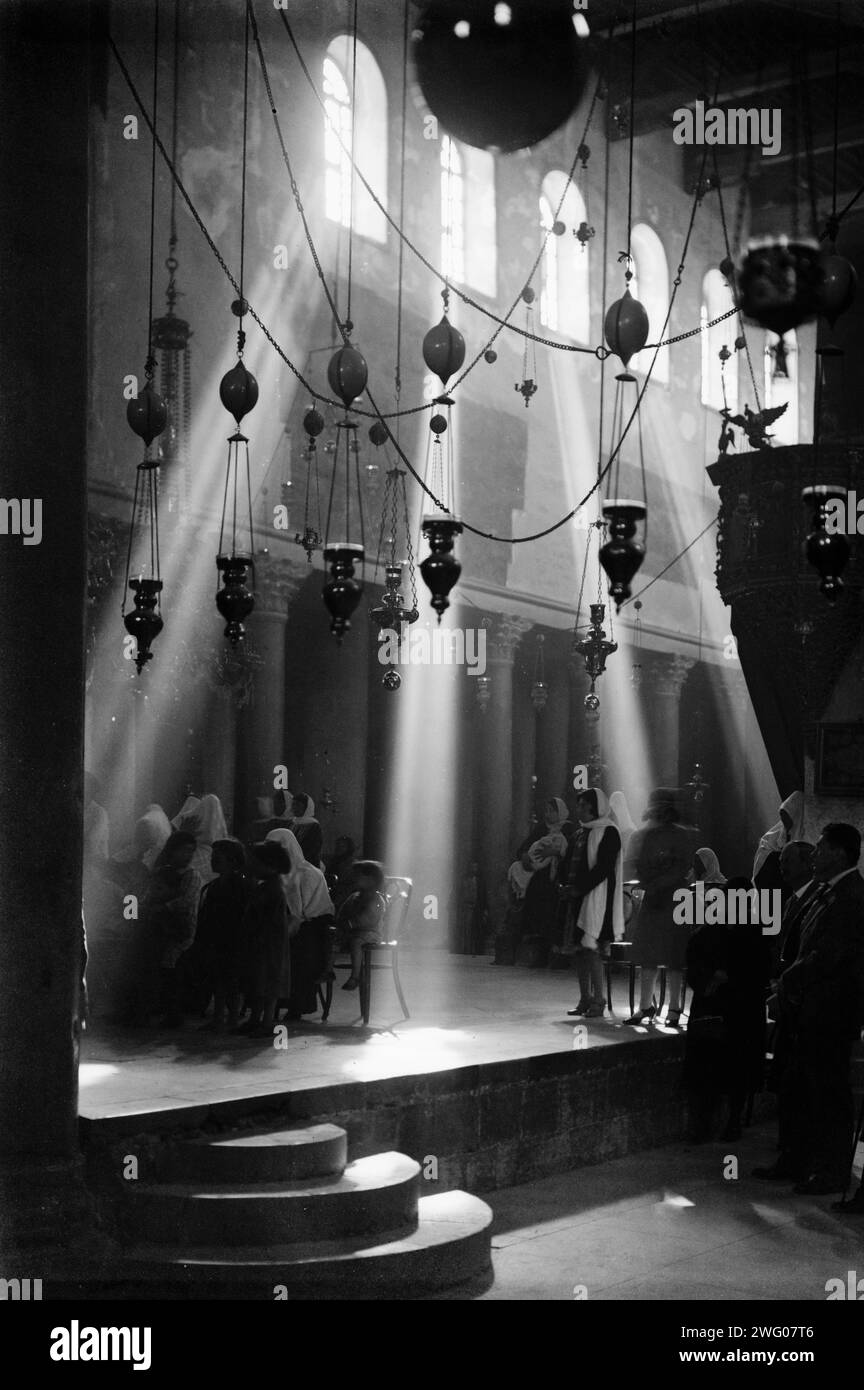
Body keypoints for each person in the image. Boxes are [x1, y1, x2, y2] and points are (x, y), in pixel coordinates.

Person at [754, 823, 864, 1195]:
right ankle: (797, 1159)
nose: (815, 855)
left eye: (821, 848)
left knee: (829, 1092)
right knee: (799, 1086)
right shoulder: (827, 892)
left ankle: (831, 1170)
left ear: (840, 853)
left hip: (831, 1011)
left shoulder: (851, 895)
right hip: (809, 1009)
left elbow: (827, 954)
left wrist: (788, 981)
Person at [683, 876, 769, 1142]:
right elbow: (693, 961)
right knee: (707, 1067)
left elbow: (761, 969)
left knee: (737, 1068)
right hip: (714, 1006)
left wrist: (730, 977)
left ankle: (733, 1121)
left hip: (740, 1008)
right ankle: (704, 1123)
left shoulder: (756, 930)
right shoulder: (710, 928)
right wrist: (709, 978)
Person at [624, 788, 698, 1028]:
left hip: (675, 899)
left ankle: (675, 1008)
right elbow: (640, 864)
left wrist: (658, 884)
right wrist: (649, 884)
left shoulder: (683, 836)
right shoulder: (647, 835)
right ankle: (645, 1006)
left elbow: (682, 866)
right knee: (648, 955)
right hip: (654, 899)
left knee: (675, 956)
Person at [562, 788, 624, 1019]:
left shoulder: (609, 832)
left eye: (582, 805)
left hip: (598, 900)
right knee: (580, 951)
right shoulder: (581, 833)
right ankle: (584, 999)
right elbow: (570, 862)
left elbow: (604, 868)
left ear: (592, 807)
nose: (578, 809)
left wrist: (581, 887)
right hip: (578, 898)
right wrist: (565, 884)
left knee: (593, 950)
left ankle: (598, 999)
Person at [265, 828, 334, 1017]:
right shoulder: (272, 875)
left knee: (300, 947)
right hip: (283, 925)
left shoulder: (309, 873)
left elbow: (312, 910)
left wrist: (294, 922)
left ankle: (296, 1003)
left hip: (311, 925)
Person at [139, 830, 201, 1027]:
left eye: (191, 851)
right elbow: (148, 895)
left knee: (171, 967)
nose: (188, 855)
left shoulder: (192, 876)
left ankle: (173, 1012)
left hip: (181, 929)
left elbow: (186, 901)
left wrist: (162, 905)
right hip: (160, 927)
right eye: (184, 850)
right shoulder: (160, 872)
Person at [195, 839, 253, 1032]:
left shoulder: (241, 885)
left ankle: (232, 1019)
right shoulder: (215, 885)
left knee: (232, 981)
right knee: (219, 979)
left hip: (233, 939)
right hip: (217, 938)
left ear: (232, 860)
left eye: (217, 857)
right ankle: (219, 1017)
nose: (212, 861)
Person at [240, 840, 295, 1038]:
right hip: (264, 943)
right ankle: (256, 1020)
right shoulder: (266, 886)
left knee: (268, 984)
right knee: (259, 983)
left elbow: (267, 918)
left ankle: (266, 1022)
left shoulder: (272, 889)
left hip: (270, 944)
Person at [517, 797, 573, 965]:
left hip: (556, 883)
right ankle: (537, 956)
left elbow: (570, 854)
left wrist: (555, 853)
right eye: (546, 810)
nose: (548, 814)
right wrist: (525, 856)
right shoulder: (541, 829)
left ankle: (556, 957)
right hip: (539, 882)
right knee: (537, 919)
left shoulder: (568, 829)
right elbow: (522, 849)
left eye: (552, 810)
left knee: (554, 918)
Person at [336, 860, 387, 991]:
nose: (355, 878)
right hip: (352, 930)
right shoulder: (354, 897)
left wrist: (351, 924)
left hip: (371, 933)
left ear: (371, 880)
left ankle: (355, 976)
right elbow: (343, 912)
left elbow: (369, 919)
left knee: (357, 941)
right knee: (332, 938)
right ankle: (326, 970)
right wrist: (341, 923)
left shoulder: (376, 900)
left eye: (359, 875)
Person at [752, 791, 804, 897]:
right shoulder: (771, 838)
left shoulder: (806, 836)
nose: (785, 820)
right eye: (782, 815)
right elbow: (760, 869)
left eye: (787, 815)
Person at [288, 792, 323, 868]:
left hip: (308, 865)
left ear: (306, 808)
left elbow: (312, 849)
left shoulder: (314, 825)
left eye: (298, 805)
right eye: (293, 804)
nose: (294, 808)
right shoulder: (293, 823)